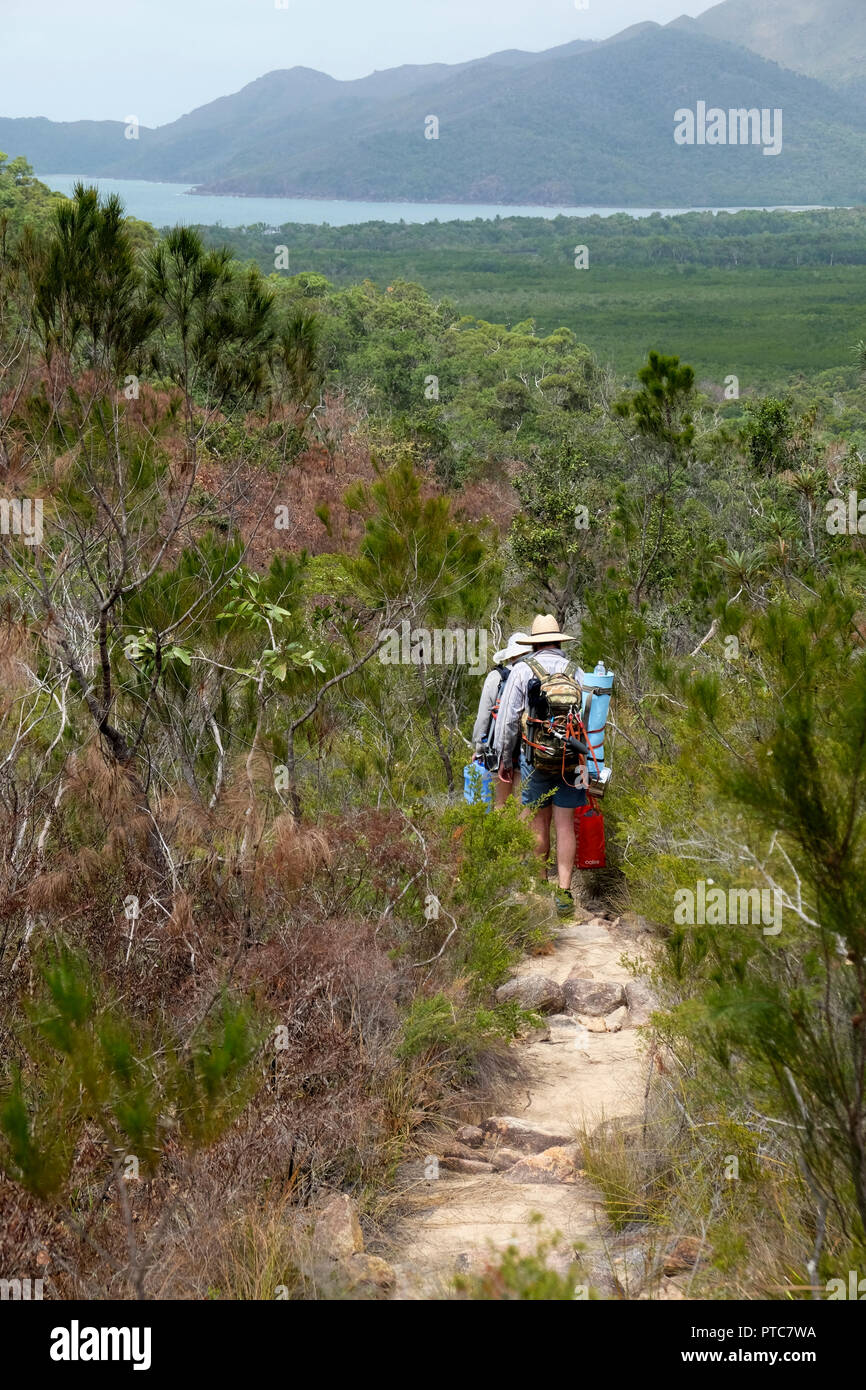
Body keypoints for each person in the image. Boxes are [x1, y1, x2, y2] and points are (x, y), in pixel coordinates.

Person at [493, 614, 586, 916]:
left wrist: (504, 760)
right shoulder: (577, 672)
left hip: (534, 759)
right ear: (559, 641)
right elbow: (588, 722)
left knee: (536, 822)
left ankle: (539, 886)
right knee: (565, 825)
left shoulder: (522, 670)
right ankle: (565, 892)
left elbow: (508, 720)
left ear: (534, 643)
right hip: (571, 760)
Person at [471, 632, 531, 806]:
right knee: (522, 808)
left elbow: (483, 716)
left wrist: (479, 748)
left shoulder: (496, 677)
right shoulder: (534, 675)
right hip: (525, 750)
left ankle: (501, 833)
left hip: (497, 751)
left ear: (510, 655)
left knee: (500, 804)